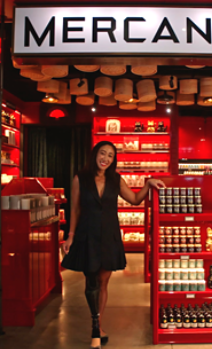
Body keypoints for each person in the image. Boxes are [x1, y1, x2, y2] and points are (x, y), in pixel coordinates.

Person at [61, 140, 165, 349]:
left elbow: (135, 200)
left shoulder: (115, 179)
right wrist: (70, 235)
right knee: (91, 283)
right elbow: (75, 210)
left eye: (110, 155)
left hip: (109, 236)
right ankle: (95, 329)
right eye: (103, 153)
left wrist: (148, 184)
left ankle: (97, 325)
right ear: (95, 155)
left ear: (113, 160)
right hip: (87, 235)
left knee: (103, 282)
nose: (106, 158)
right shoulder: (80, 178)